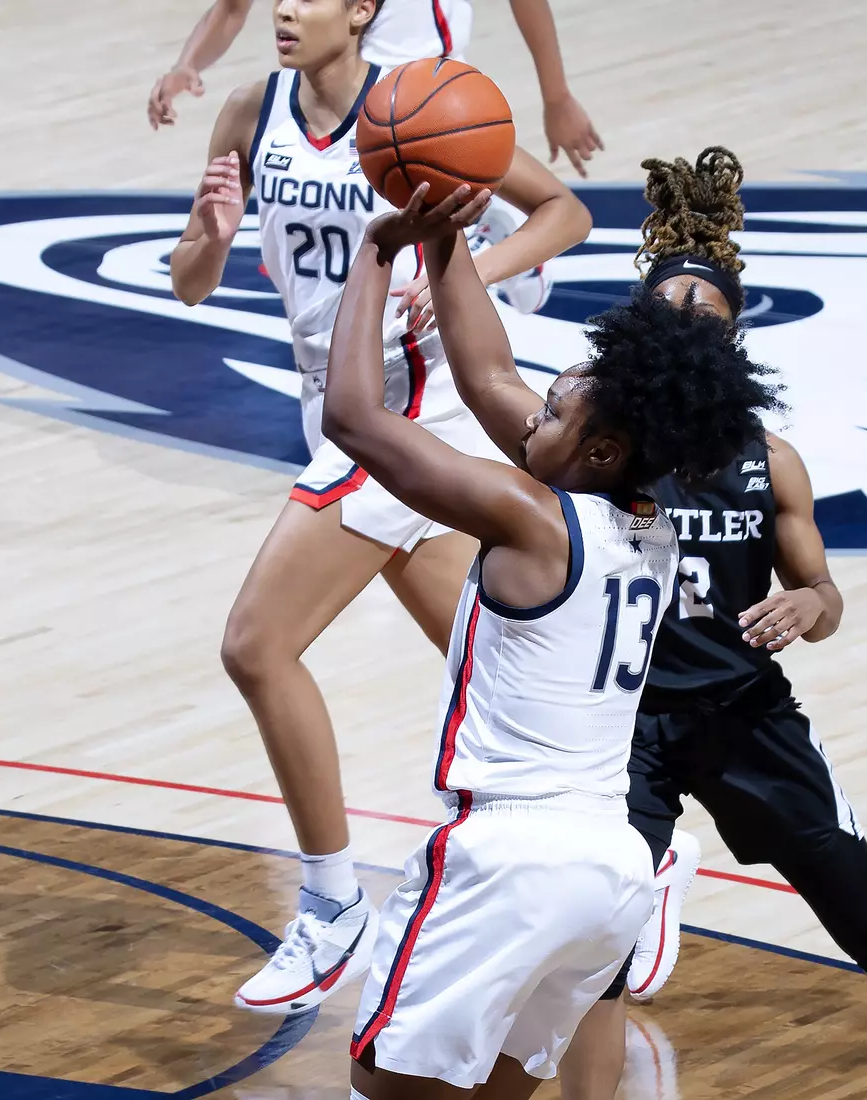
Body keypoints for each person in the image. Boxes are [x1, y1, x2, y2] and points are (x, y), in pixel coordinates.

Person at [559, 149, 867, 1100]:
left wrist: (811, 604)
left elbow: (825, 598)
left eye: (706, 315)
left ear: (734, 338)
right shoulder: (603, 448)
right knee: (597, 946)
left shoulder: (773, 460)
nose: (687, 325)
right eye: (669, 311)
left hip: (745, 715)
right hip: (625, 729)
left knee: (860, 913)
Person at [168, 0, 591, 1016]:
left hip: (409, 412)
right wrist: (212, 239)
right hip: (340, 403)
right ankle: (637, 834)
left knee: (255, 642)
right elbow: (189, 285)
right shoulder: (248, 112)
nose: (283, 9)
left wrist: (464, 276)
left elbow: (564, 215)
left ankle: (331, 902)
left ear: (363, 11)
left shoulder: (414, 105)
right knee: (500, 662)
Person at [324, 178, 779, 1100]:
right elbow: (489, 376)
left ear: (600, 449)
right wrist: (441, 244)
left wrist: (376, 251)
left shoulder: (534, 516)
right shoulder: (646, 514)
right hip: (609, 869)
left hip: (511, 856)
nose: (532, 413)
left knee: (387, 1086)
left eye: (553, 412)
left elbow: (352, 418)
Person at [147, 0, 605, 178]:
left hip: (430, 103)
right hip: (340, 104)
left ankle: (494, 238)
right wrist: (186, 64)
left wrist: (556, 96)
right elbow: (231, 8)